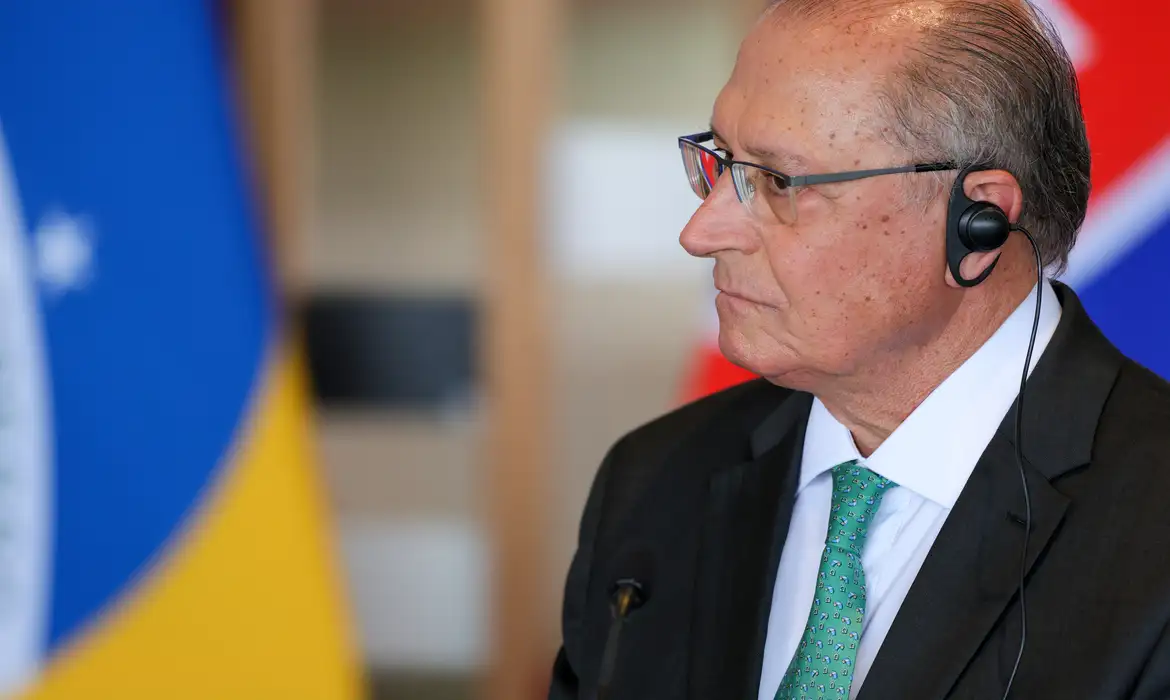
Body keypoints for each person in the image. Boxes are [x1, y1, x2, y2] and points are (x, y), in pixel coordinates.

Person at [547, 1, 1170, 699]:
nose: (701, 232)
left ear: (977, 224)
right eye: (720, 161)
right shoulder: (653, 479)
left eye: (778, 182)